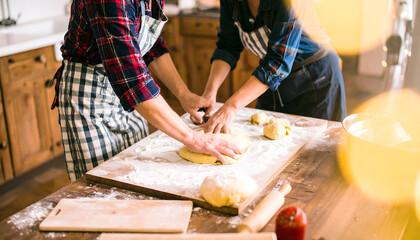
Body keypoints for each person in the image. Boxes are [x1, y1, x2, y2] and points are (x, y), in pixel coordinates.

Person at [52, 0, 242, 181]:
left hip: (133, 100)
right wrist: (193, 138)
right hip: (91, 101)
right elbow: (132, 80)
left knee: (137, 176)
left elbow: (151, 48)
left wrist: (183, 94)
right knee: (102, 189)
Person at [199, 0, 347, 134]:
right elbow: (227, 47)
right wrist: (209, 93)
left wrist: (230, 107)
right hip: (268, 79)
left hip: (314, 80)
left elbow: (277, 63)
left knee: (316, 149)